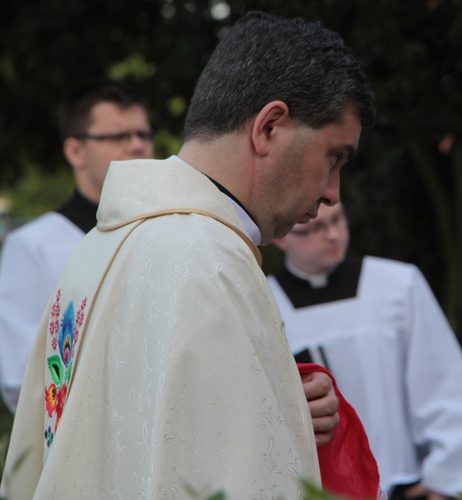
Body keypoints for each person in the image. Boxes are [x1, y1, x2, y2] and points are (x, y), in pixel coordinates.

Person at [0, 10, 375, 499]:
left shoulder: (101, 246)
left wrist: (279, 407)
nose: (332, 193)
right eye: (333, 157)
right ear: (269, 128)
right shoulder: (204, 260)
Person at [268, 201, 462, 499]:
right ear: (282, 237)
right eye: (315, 228)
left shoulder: (398, 286)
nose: (334, 235)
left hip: (401, 482)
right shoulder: (265, 302)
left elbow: (446, 388)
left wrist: (446, 481)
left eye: (338, 220)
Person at [0, 79, 154, 414]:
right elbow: (21, 379)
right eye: (118, 136)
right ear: (75, 151)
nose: (137, 145)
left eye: (144, 134)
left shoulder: (165, 233)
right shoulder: (33, 246)